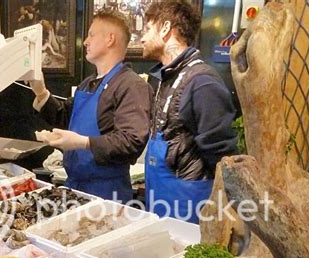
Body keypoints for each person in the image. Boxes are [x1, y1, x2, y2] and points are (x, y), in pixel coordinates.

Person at [29, 9, 152, 203]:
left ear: (110, 39)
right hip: (75, 188)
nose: (85, 41)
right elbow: (66, 117)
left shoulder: (132, 85)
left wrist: (82, 143)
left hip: (107, 194)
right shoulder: (88, 83)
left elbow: (131, 141)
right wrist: (41, 92)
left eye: (91, 34)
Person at [141, 1, 238, 223]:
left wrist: (231, 213)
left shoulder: (202, 82)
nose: (142, 38)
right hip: (159, 201)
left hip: (189, 208)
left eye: (147, 29)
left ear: (165, 28)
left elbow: (223, 158)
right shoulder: (165, 78)